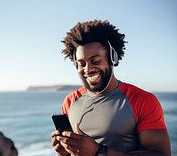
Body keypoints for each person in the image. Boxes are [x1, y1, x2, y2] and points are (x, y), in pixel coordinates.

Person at [51, 20, 171, 156]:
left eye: (95, 61)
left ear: (112, 58)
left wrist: (99, 152)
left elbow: (161, 154)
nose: (88, 69)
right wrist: (64, 153)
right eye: (81, 64)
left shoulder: (142, 100)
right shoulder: (70, 101)